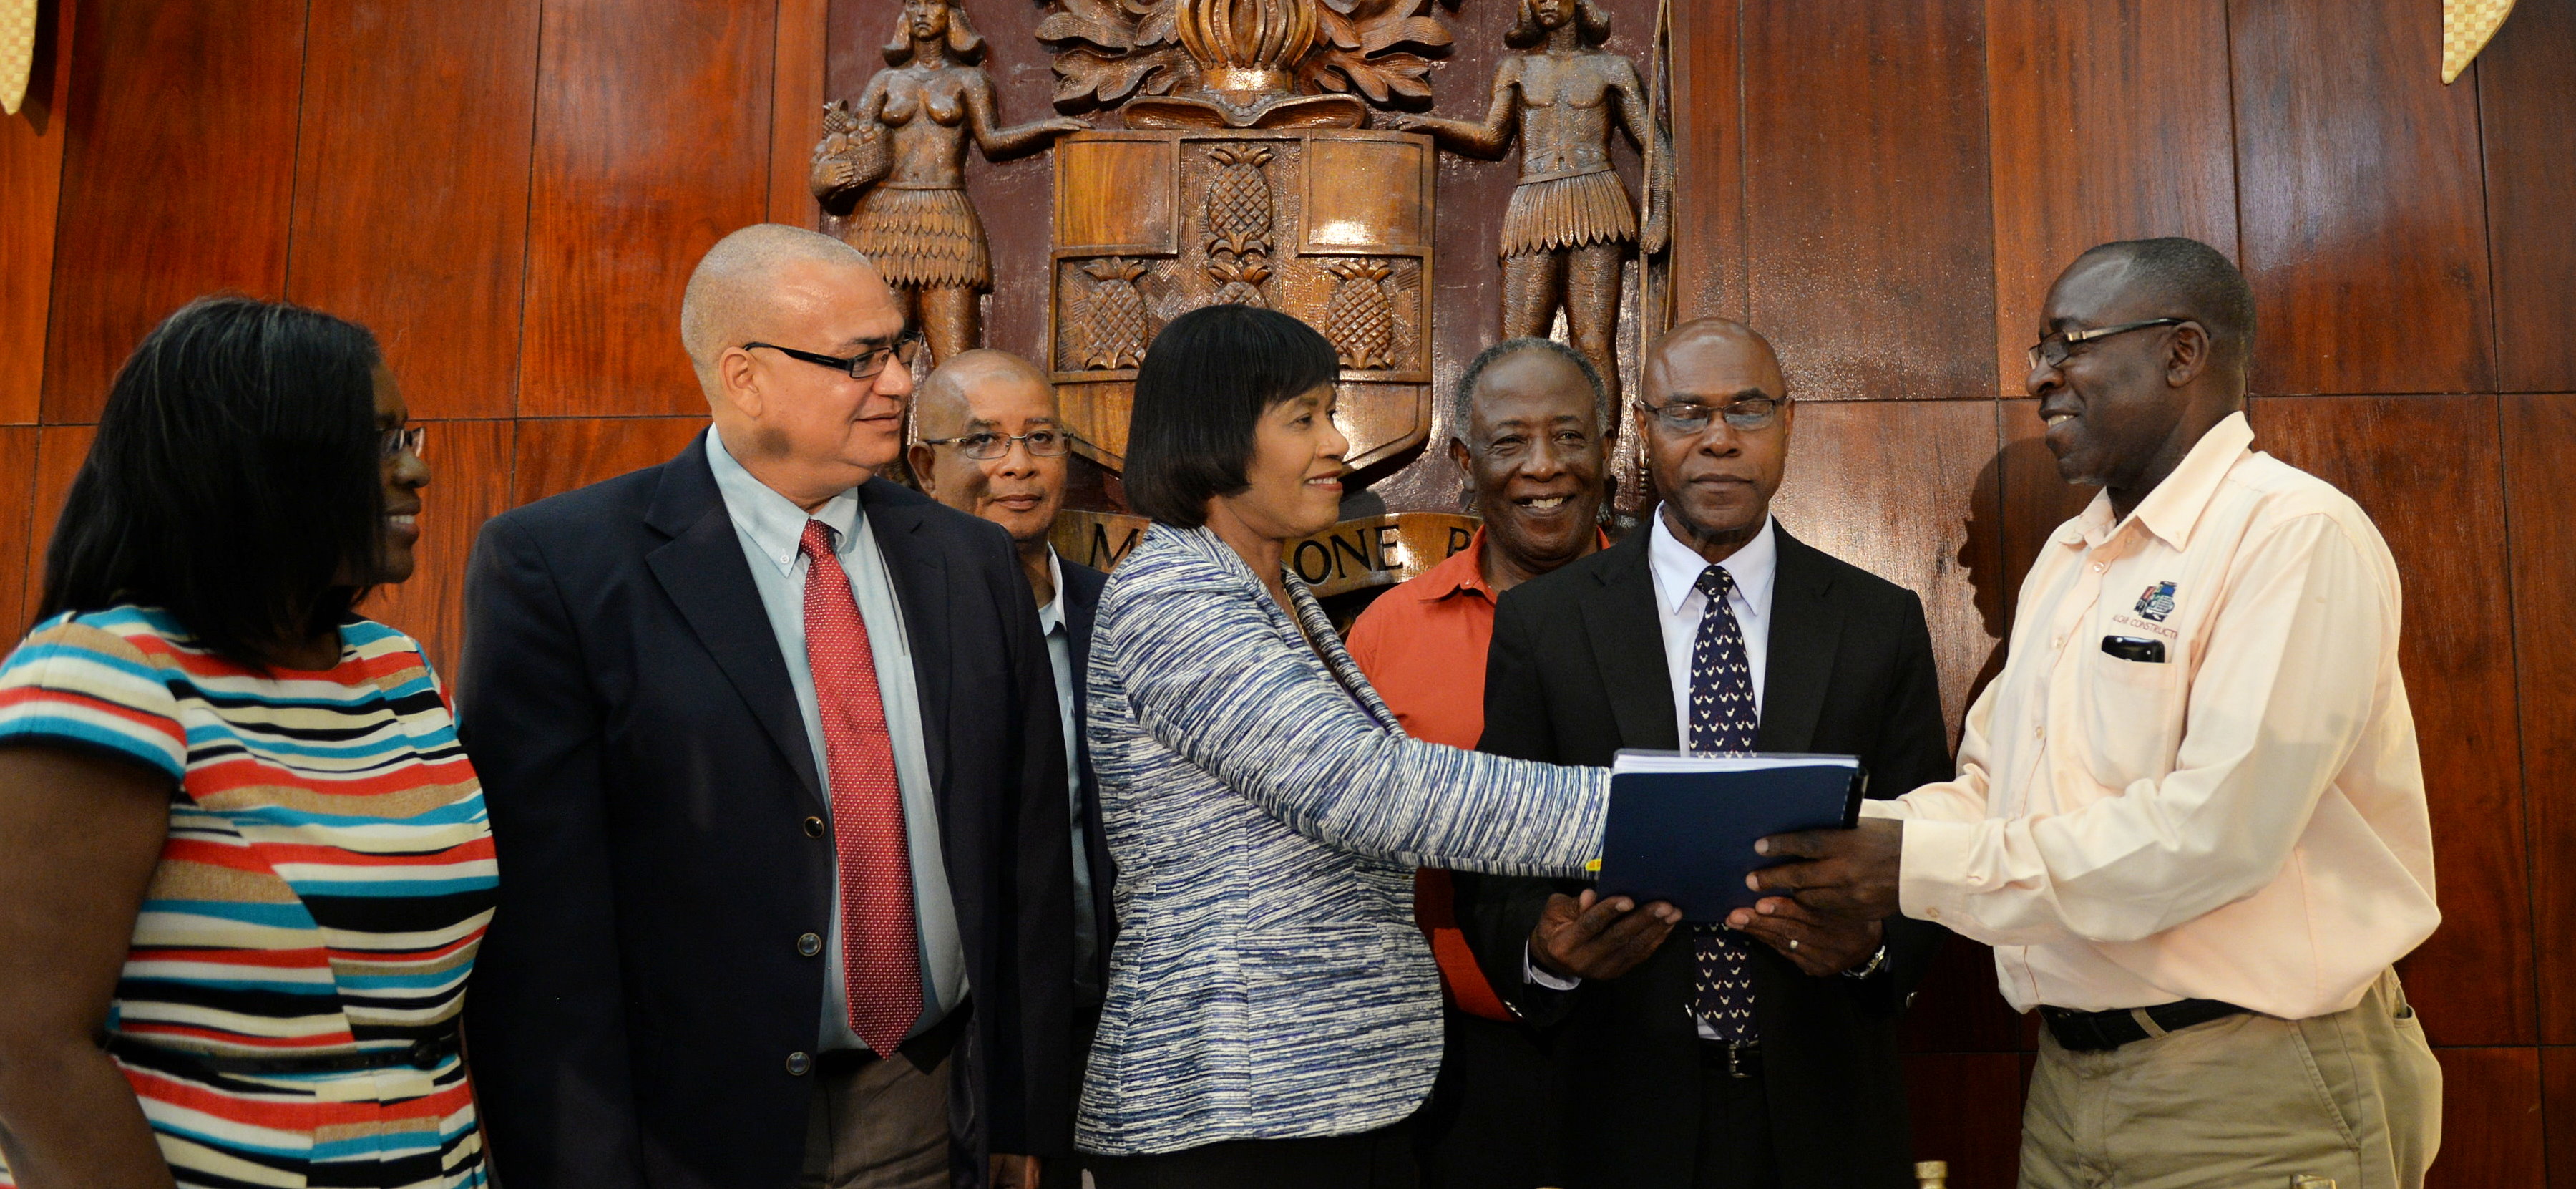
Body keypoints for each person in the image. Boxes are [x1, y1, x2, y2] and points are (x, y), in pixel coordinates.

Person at [1749, 238, 2444, 1189]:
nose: (2038, 376)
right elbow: (1993, 794)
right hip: (2071, 1085)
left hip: (2253, 1089)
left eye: (2066, 341)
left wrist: (1910, 866)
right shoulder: (2070, 558)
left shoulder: (2290, 536)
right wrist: (1823, 832)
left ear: (2182, 353)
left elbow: (2214, 837)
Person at [459, 225, 1073, 1189]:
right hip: (684, 1136)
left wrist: (1028, 1112)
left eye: (902, 349)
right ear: (742, 377)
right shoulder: (562, 570)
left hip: (926, 1103)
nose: (904, 384)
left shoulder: (970, 560)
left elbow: (1026, 859)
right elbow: (542, 929)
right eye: (858, 360)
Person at [1075, 305, 1619, 1189]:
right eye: (1305, 418)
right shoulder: (1173, 594)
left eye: (1332, 411)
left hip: (1335, 1097)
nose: (1339, 443)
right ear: (1214, 434)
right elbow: (1377, 793)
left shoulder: (1270, 583)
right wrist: (1648, 814)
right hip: (1233, 1104)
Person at [0, 297, 494, 1188]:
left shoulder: (396, 669)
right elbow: (24, 1046)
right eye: (379, 442)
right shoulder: (104, 672)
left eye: (408, 436)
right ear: (260, 464)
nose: (416, 470)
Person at [1461, 319, 1953, 1188]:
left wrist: (1873, 948)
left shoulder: (1878, 621)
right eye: (1688, 411)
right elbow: (1492, 865)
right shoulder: (1546, 625)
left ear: (1789, 423)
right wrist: (1548, 949)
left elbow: (1936, 843)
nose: (1720, 437)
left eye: (1748, 409)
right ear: (1644, 432)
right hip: (1620, 1113)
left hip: (1828, 1110)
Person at [1342, 336, 1621, 1188]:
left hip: (1636, 1042)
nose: (1545, 467)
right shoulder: (1388, 629)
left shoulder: (1666, 617)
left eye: (1570, 437)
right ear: (1466, 459)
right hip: (1444, 1066)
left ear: (1607, 452)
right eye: (1510, 442)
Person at [908, 349, 1112, 1188]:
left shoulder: (1120, 613)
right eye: (983, 442)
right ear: (923, 464)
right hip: (962, 1037)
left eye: (1041, 439)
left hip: (1122, 1018)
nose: (1018, 466)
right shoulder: (898, 630)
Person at [810, 0, 1085, 365]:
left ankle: (955, 422)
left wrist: (1045, 129)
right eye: (913, 4)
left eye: (932, 4)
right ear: (904, 16)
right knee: (882, 359)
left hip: (946, 217)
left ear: (951, 15)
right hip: (885, 219)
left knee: (956, 360)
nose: (922, 12)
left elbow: (993, 141)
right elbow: (855, 146)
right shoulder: (885, 82)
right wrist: (827, 180)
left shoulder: (970, 80)